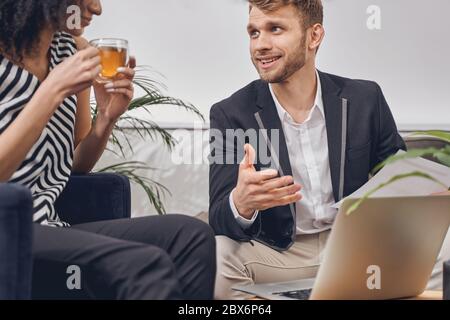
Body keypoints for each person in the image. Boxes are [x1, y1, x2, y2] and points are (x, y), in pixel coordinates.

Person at [0, 0, 215, 299]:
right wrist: (51, 91)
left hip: (49, 226)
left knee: (191, 236)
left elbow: (75, 166)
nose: (97, 7)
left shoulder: (72, 51)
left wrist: (106, 118)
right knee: (141, 263)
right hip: (6, 232)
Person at [209, 0, 407, 299]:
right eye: (253, 33)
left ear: (314, 36)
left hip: (356, 248)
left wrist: (424, 194)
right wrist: (242, 202)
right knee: (218, 253)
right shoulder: (229, 114)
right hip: (280, 254)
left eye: (275, 29)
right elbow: (218, 217)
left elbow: (398, 176)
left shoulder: (366, 98)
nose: (260, 44)